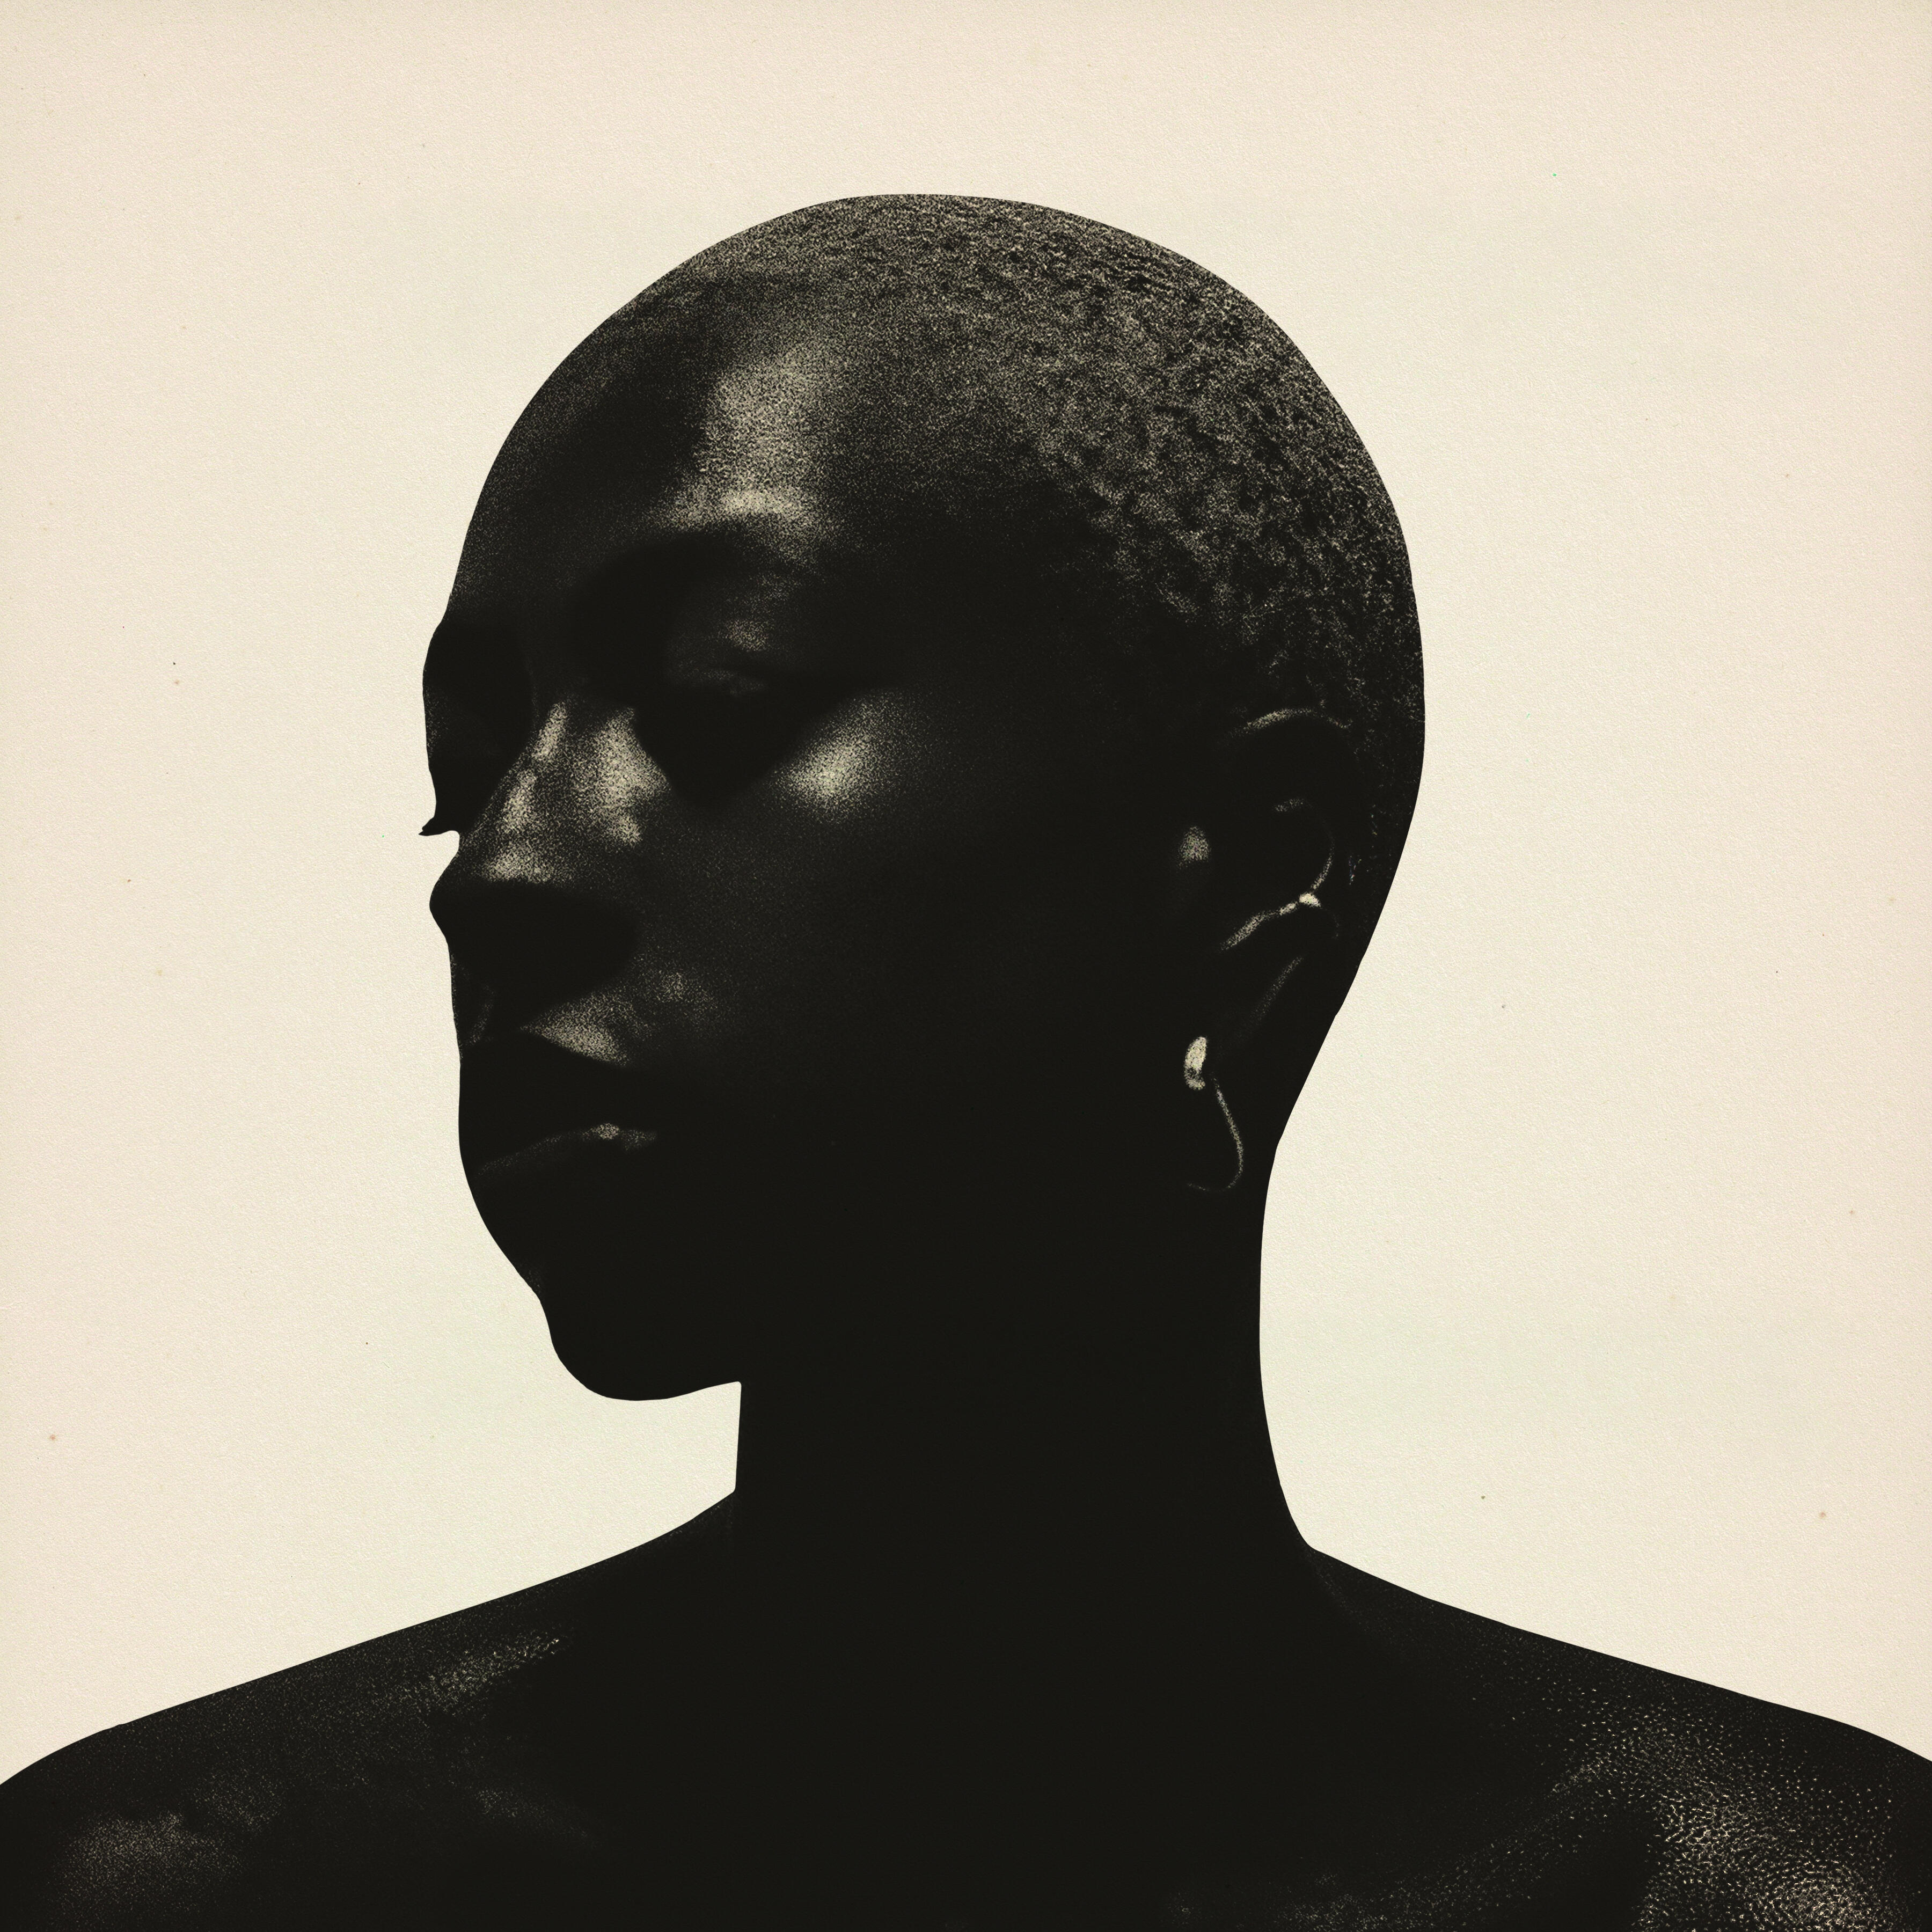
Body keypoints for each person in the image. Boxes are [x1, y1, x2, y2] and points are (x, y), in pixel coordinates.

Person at [3, 196, 1924, 1931]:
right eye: (468, 762)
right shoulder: (161, 1892)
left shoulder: (1782, 1904)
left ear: (1247, 876)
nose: (499, 868)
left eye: (722, 695)